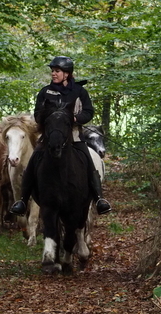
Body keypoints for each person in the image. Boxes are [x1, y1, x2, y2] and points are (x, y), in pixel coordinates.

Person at [10, 56, 111, 216]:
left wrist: (75, 118)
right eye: (52, 71)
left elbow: (89, 112)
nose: (53, 74)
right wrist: (51, 120)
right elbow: (37, 115)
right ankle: (22, 200)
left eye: (57, 71)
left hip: (74, 136)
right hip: (50, 137)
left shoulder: (79, 91)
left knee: (88, 160)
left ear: (67, 74)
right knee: (32, 162)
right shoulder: (45, 92)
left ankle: (99, 199)